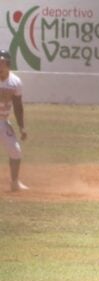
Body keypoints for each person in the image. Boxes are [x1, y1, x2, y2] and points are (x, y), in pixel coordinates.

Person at [0, 49, 28, 192]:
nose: (0, 64)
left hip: (3, 122)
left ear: (8, 63)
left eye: (2, 62)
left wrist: (22, 127)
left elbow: (18, 107)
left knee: (16, 152)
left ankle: (14, 183)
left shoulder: (15, 82)